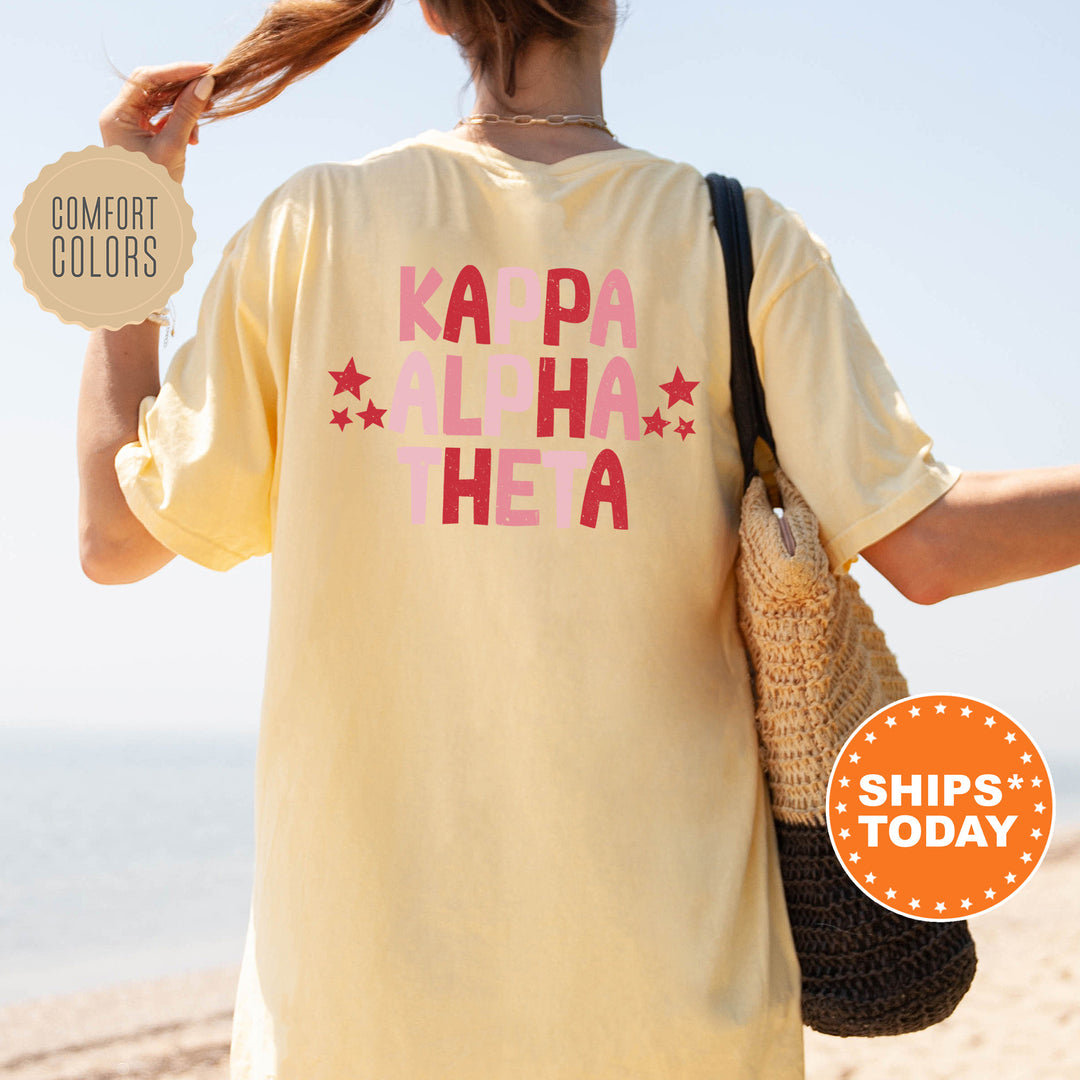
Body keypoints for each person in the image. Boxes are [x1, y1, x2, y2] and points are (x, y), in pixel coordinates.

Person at [77, 2, 1080, 1078]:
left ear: (430, 13)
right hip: (674, 1001)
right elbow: (930, 549)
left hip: (358, 1012)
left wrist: (128, 212)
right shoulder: (736, 239)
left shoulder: (315, 225)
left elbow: (115, 539)